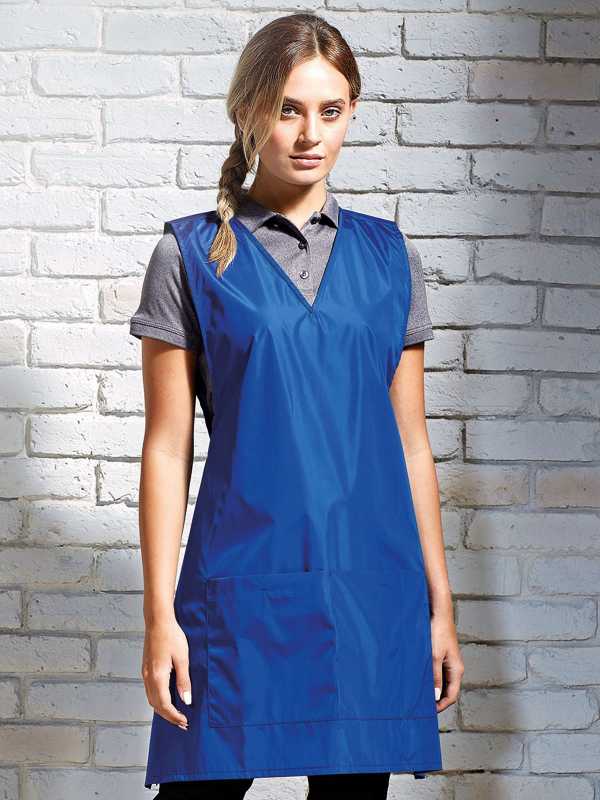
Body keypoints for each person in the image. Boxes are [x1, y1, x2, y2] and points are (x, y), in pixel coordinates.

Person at [130, 12, 463, 799]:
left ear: (352, 113)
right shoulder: (188, 255)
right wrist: (158, 615)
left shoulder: (390, 257)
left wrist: (440, 606)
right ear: (249, 111)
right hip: (239, 584)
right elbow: (167, 447)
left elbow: (412, 444)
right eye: (288, 109)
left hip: (371, 588)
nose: (311, 133)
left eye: (330, 110)